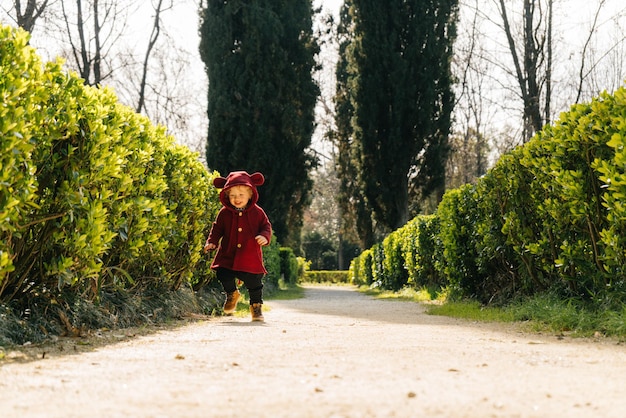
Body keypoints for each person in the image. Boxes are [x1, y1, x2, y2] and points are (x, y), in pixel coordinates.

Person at [203, 171, 272, 321]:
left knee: (254, 283)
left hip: (249, 255)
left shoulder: (257, 212)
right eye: (232, 195)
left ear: (250, 194)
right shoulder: (224, 213)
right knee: (222, 273)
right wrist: (212, 242)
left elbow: (266, 226)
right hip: (228, 253)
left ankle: (256, 307)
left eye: (241, 195)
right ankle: (232, 293)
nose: (237, 199)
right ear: (227, 196)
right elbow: (217, 229)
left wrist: (264, 237)